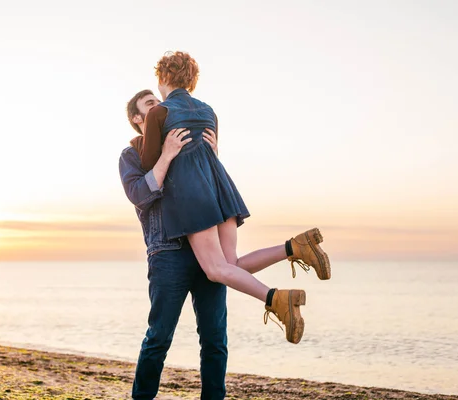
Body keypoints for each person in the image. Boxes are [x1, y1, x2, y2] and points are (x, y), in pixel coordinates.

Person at [119, 90, 326, 399]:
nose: (159, 107)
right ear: (138, 119)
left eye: (158, 102)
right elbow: (139, 195)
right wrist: (166, 156)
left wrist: (210, 155)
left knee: (215, 339)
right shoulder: (131, 155)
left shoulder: (188, 140)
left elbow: (207, 188)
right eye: (150, 105)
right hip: (168, 254)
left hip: (207, 248)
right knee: (158, 337)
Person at [137, 52, 331, 344]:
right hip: (221, 191)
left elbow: (149, 163)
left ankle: (276, 298)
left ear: (163, 78)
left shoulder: (159, 113)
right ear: (191, 80)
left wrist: (159, 147)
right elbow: (208, 155)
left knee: (216, 270)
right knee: (230, 265)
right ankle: (294, 247)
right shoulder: (209, 111)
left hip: (193, 197)